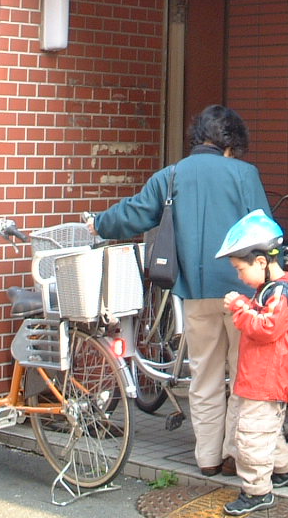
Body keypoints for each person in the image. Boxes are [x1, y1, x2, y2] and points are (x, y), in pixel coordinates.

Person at [89, 104, 270, 477]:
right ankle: (239, 453)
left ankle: (207, 458)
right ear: (231, 142)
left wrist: (99, 224)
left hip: (195, 292)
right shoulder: (245, 174)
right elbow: (264, 231)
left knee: (202, 375)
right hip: (243, 294)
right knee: (242, 377)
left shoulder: (172, 175)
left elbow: (135, 213)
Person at [215, 210, 288, 516]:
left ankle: (257, 492)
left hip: (265, 382)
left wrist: (240, 307)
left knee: (252, 437)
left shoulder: (281, 293)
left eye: (240, 269)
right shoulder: (271, 288)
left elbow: (267, 329)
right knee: (264, 431)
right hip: (258, 379)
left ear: (260, 261)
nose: (239, 276)